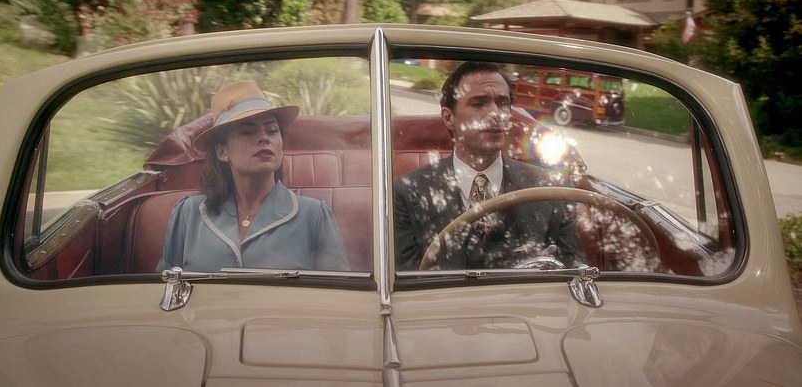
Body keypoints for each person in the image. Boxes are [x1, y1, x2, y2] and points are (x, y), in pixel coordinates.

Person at [393, 62, 583, 270]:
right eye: (478, 103)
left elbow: (574, 274)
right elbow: (406, 282)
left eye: (503, 103)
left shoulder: (551, 189)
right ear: (448, 118)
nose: (495, 114)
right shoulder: (408, 193)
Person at [157, 80, 350, 272]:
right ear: (222, 151)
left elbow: (337, 288)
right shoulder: (189, 213)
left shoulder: (314, 215)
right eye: (248, 132)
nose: (264, 138)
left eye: (272, 131)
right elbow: (165, 283)